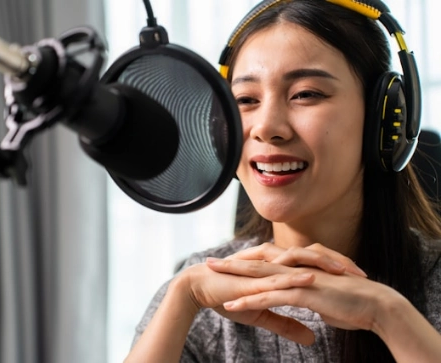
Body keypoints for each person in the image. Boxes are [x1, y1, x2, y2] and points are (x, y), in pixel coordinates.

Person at [125, 0, 441, 362]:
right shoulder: (201, 292)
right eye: (245, 99)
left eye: (306, 94)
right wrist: (183, 297)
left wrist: (388, 315)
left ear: (385, 118)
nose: (267, 128)